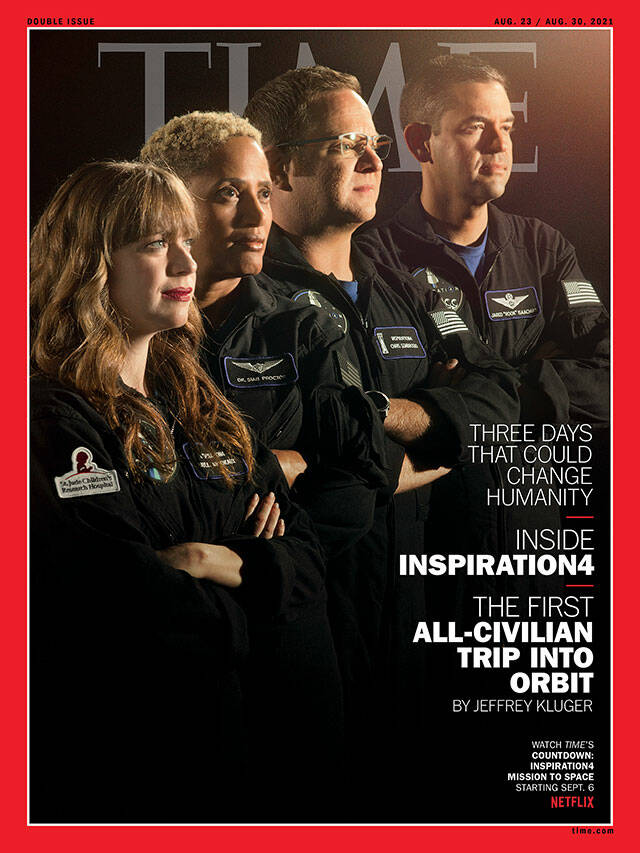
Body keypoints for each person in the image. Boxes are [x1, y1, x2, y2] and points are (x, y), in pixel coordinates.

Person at [244, 65, 522, 816]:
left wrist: (383, 420)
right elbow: (269, 468)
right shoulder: (244, 303)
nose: (375, 160)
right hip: (311, 621)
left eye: (374, 142)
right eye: (346, 143)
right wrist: (438, 433)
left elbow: (500, 397)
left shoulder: (407, 282)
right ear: (279, 167)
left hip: (412, 618)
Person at [29, 160, 342, 823]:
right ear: (90, 262)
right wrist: (266, 589)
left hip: (253, 766)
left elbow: (310, 557)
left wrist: (207, 561)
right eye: (151, 242)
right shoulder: (51, 419)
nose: (183, 259)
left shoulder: (196, 400)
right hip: (139, 784)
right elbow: (126, 609)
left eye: (184, 237)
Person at [139, 111, 388, 559]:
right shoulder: (124, 331)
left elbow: (355, 481)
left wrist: (261, 556)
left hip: (284, 600)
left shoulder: (307, 329)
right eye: (229, 193)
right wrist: (281, 468)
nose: (257, 216)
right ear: (167, 205)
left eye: (265, 193)